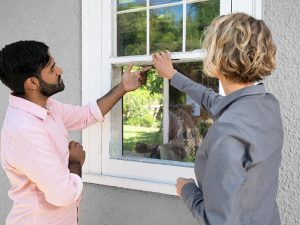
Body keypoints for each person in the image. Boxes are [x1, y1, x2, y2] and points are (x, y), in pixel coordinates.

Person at [152, 12, 283, 225]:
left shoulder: (228, 130)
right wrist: (172, 75)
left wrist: (186, 189)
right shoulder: (267, 104)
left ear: (218, 56)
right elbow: (211, 99)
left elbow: (219, 221)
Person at [0, 40, 150, 225]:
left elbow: (86, 115)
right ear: (32, 82)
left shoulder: (47, 107)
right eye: (52, 68)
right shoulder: (25, 131)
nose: (59, 70)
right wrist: (75, 162)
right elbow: (63, 195)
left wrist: (123, 88)